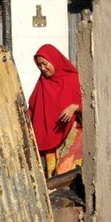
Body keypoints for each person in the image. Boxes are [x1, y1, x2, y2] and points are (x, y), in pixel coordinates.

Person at [28, 44, 83, 177]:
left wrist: (75, 107)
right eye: (39, 65)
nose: (43, 68)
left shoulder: (73, 79)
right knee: (51, 176)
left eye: (45, 64)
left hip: (72, 133)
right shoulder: (42, 82)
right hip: (50, 138)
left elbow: (90, 104)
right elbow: (32, 108)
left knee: (64, 170)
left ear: (54, 60)